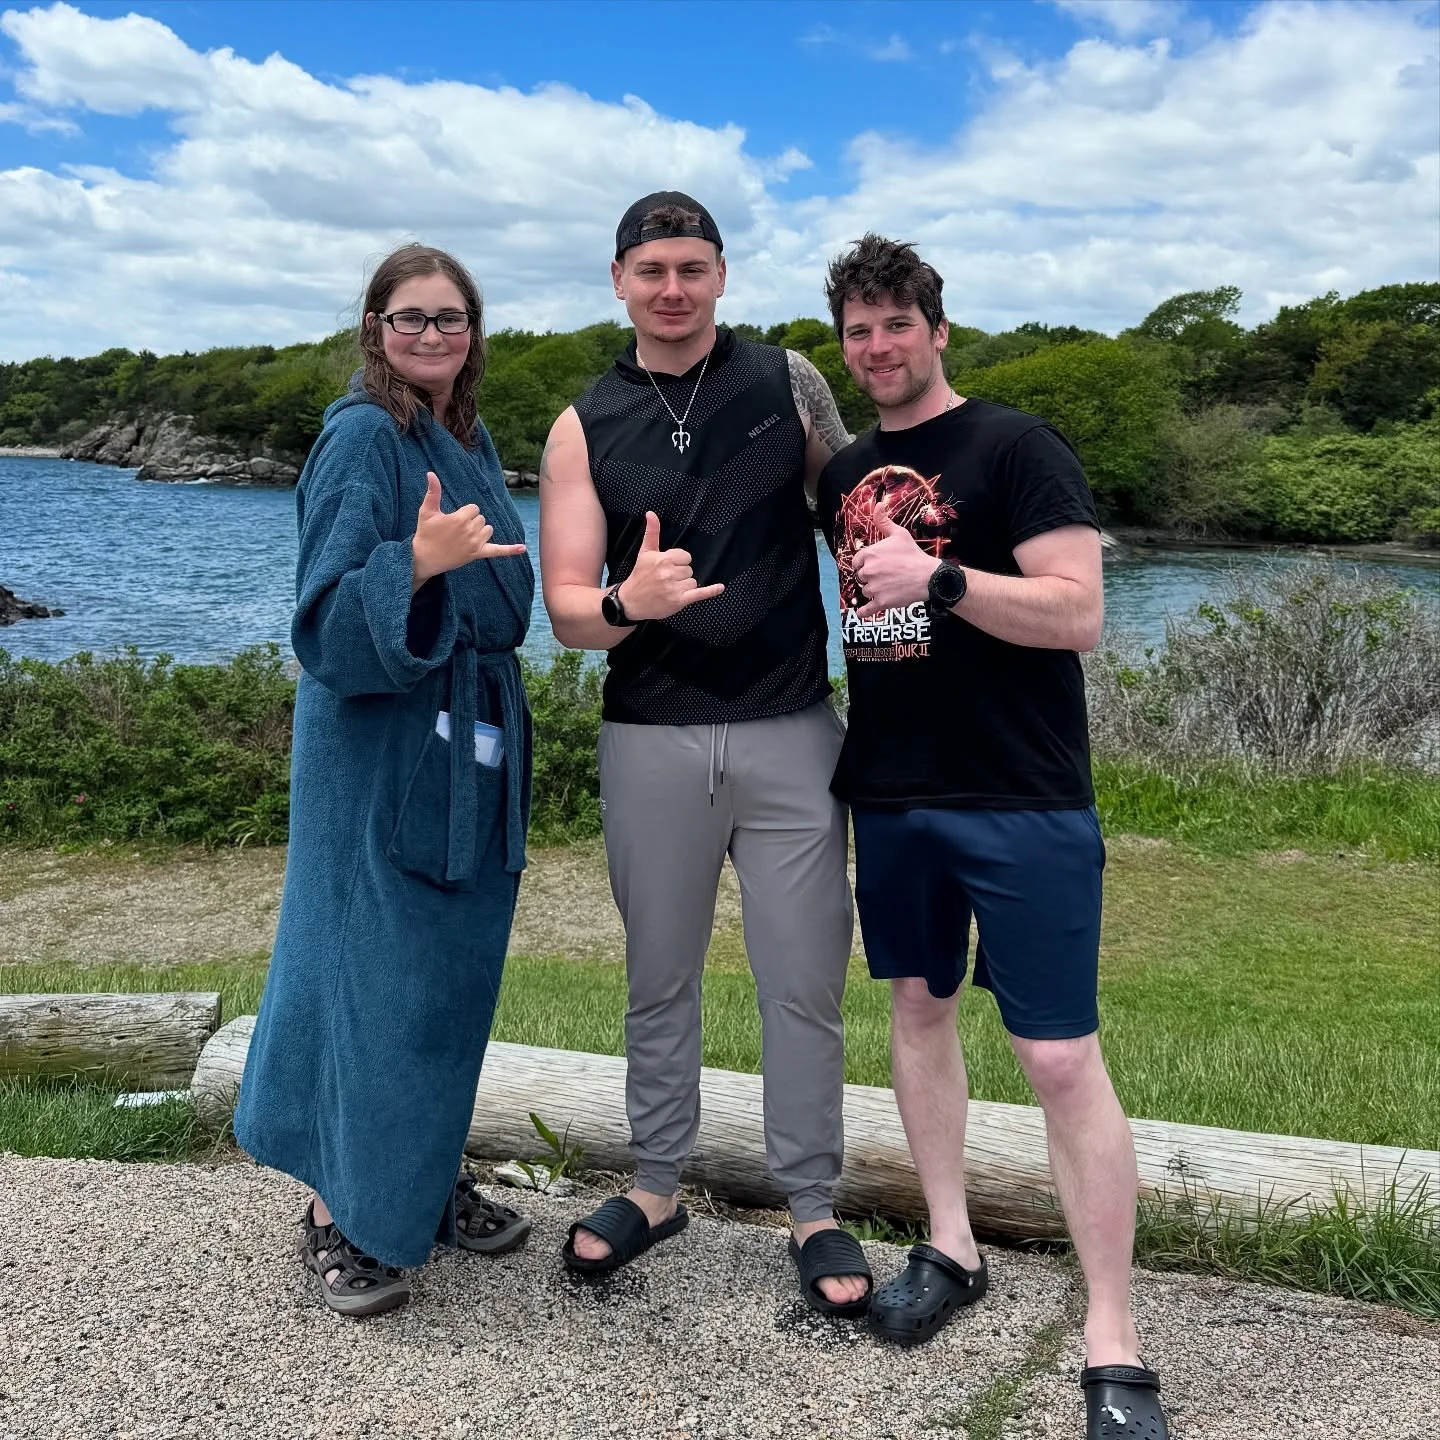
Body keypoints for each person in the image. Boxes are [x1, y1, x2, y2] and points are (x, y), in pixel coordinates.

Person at [814, 235, 1169, 1439]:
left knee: (1061, 1057)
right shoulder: (845, 475)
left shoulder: (1017, 447)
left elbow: (1078, 616)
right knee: (917, 1008)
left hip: (1022, 795)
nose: (878, 347)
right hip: (895, 792)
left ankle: (1111, 1333)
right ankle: (953, 1248)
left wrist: (946, 579)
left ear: (936, 326)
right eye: (857, 331)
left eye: (895, 324)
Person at [538, 192, 870, 1314]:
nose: (671, 288)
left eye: (691, 267)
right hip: (651, 737)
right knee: (658, 978)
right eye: (650, 270)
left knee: (804, 981)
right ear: (619, 281)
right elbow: (571, 613)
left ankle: (813, 1205)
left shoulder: (789, 382)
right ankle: (657, 1182)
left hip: (792, 729)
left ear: (722, 274)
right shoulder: (583, 423)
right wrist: (630, 600)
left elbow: (861, 522)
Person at [234, 243, 537, 1317]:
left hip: (462, 736)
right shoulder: (363, 435)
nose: (432, 338)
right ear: (374, 328)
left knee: (442, 977)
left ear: (473, 332)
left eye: (450, 320)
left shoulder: (460, 431)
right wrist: (414, 568)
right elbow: (321, 617)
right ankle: (334, 1210)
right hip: (378, 749)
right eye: (410, 320)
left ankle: (413, 1177)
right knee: (367, 972)